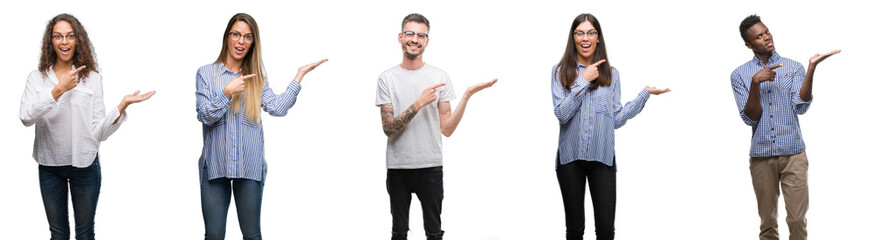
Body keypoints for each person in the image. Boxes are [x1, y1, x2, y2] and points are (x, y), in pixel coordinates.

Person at [19, 13, 155, 240]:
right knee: (58, 234)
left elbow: (99, 132)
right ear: (50, 42)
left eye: (70, 36)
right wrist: (58, 91)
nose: (64, 42)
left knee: (85, 233)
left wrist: (121, 107)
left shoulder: (92, 78)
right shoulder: (37, 78)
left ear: (77, 40)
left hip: (85, 164)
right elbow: (25, 117)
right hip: (49, 165)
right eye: (58, 36)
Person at [195, 13, 326, 240]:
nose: (241, 42)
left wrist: (299, 76)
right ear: (227, 36)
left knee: (252, 235)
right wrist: (227, 93)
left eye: (248, 37)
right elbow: (205, 115)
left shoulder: (256, 77)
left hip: (250, 164)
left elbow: (277, 108)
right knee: (214, 235)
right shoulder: (206, 73)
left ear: (253, 42)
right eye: (236, 34)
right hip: (215, 165)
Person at [375, 13, 497, 240]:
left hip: (430, 166)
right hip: (398, 167)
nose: (415, 39)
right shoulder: (387, 78)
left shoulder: (439, 76)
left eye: (421, 35)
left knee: (434, 232)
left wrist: (467, 96)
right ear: (400, 37)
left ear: (427, 41)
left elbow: (447, 129)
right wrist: (419, 103)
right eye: (410, 34)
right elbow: (388, 128)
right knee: (399, 231)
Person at [551, 13, 669, 240]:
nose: (585, 38)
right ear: (573, 37)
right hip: (570, 160)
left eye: (591, 32)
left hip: (602, 158)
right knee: (575, 230)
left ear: (598, 38)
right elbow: (562, 115)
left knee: (606, 231)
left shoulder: (612, 75)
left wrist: (644, 95)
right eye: (580, 32)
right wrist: (584, 80)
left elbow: (615, 119)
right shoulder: (559, 72)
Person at [731, 14, 839, 240]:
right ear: (749, 45)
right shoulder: (739, 74)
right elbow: (750, 118)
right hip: (761, 156)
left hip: (794, 155)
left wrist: (811, 69)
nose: (767, 38)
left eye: (767, 32)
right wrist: (755, 82)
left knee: (798, 219)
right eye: (759, 37)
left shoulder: (793, 67)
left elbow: (801, 106)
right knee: (768, 223)